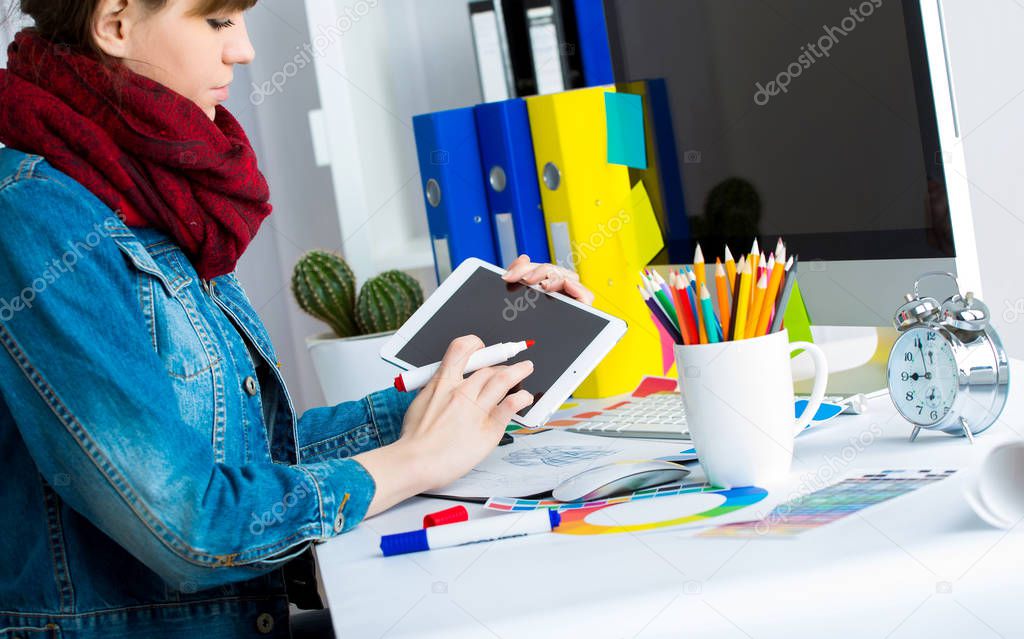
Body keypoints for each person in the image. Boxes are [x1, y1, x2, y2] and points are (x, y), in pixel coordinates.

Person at [0, 1, 595, 637]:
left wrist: (477, 385)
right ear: (115, 22)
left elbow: (251, 455)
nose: (244, 50)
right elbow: (191, 528)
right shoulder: (37, 217)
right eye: (218, 21)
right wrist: (415, 463)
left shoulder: (147, 189)